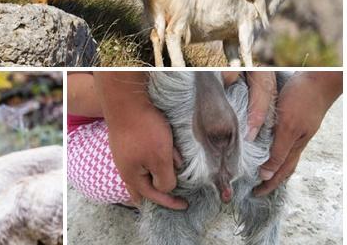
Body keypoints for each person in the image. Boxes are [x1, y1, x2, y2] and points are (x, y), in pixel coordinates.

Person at [66, 71, 342, 209]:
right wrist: (130, 111)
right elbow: (73, 92)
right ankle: (176, 193)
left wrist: (319, 85)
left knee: (273, 111)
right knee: (116, 173)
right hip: (100, 118)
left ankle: (211, 186)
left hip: (189, 92)